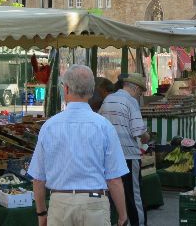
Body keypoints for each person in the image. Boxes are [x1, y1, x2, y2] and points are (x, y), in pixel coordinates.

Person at [28, 65, 129, 226]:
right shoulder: (104, 126)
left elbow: (38, 179)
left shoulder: (49, 126)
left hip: (60, 203)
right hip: (94, 202)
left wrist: (41, 213)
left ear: (66, 89)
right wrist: (123, 216)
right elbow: (114, 179)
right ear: (91, 91)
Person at [100, 73, 151, 226]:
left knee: (113, 195)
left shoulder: (108, 99)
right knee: (133, 195)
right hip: (128, 156)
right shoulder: (131, 101)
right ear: (134, 88)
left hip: (109, 156)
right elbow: (138, 131)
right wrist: (146, 137)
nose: (139, 96)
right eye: (140, 92)